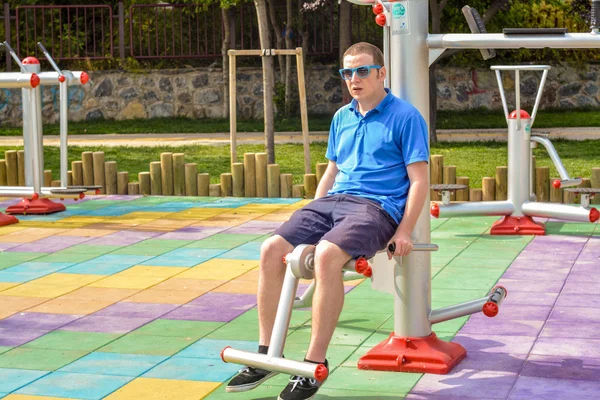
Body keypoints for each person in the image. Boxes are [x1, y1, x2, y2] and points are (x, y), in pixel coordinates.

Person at [226, 42, 429, 400]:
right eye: (347, 72)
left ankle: (313, 366)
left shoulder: (406, 117)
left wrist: (405, 230)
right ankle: (263, 356)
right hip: (333, 201)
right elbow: (332, 171)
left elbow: (419, 181)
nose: (354, 78)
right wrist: (314, 211)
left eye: (363, 70)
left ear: (382, 73)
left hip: (375, 208)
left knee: (325, 255)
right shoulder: (341, 117)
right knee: (271, 249)